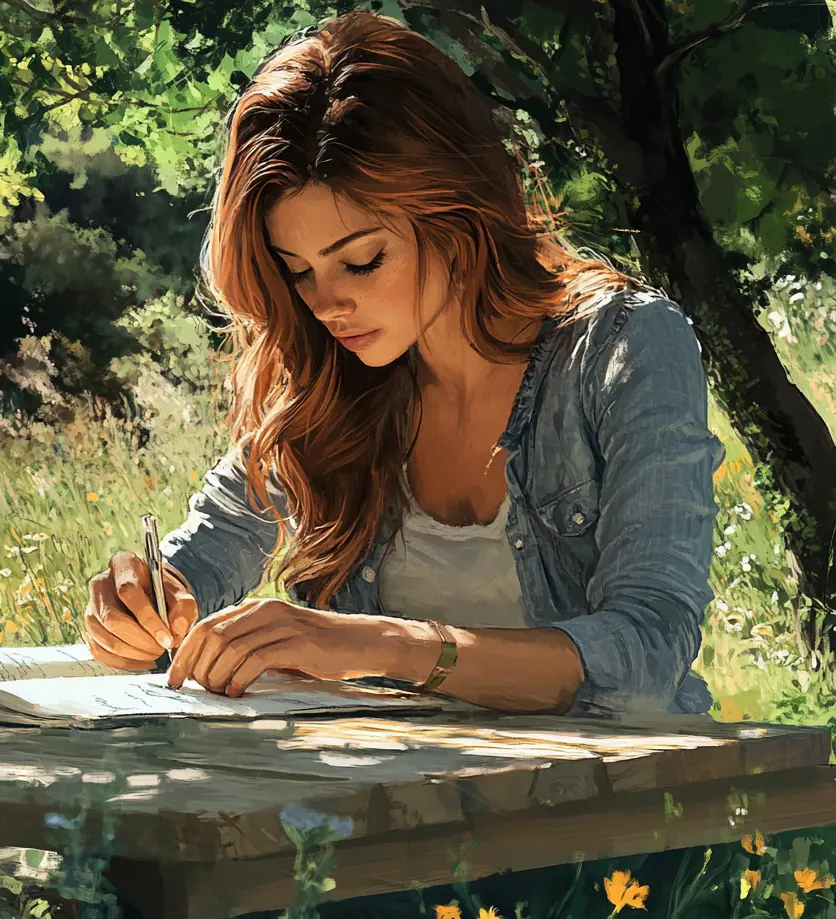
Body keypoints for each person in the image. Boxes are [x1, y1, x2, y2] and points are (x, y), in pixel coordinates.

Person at [83, 8, 725, 718]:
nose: (328, 306)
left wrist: (382, 646)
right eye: (298, 271)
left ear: (456, 211)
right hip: (390, 808)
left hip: (605, 808)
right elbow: (203, 558)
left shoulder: (623, 348)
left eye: (361, 261)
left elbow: (648, 650)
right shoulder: (330, 385)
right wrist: (142, 603)